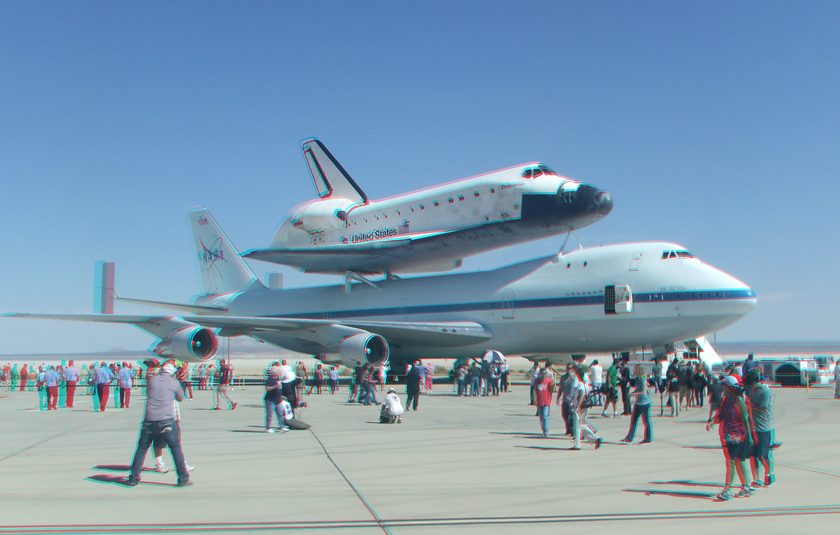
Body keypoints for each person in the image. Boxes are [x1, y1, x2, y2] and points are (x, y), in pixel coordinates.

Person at [127, 363, 190, 487]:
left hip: (149, 420)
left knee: (142, 448)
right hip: (166, 420)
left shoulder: (152, 380)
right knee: (175, 448)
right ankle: (182, 477)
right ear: (172, 373)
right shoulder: (174, 382)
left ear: (161, 371)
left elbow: (147, 392)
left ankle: (133, 477)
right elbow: (180, 397)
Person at [707, 375, 754, 500]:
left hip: (737, 434)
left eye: (724, 385)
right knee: (737, 461)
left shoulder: (739, 400)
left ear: (728, 387)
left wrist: (749, 436)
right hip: (731, 434)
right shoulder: (726, 399)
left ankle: (728, 489)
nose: (722, 387)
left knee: (733, 461)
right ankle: (745, 487)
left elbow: (745, 419)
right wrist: (713, 422)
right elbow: (721, 415)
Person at [745, 369, 776, 487]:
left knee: (763, 454)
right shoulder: (750, 391)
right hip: (752, 427)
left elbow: (762, 406)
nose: (751, 387)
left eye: (751, 384)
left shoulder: (765, 391)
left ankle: (769, 474)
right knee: (753, 455)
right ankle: (756, 478)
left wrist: (748, 406)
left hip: (764, 427)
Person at [568, 366, 602, 450]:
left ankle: (579, 444)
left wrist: (577, 405)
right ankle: (594, 439)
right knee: (582, 424)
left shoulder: (580, 384)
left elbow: (582, 393)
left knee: (577, 426)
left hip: (579, 407)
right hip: (584, 407)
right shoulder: (586, 383)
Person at [620, 364, 653, 444]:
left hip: (643, 403)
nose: (633, 371)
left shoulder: (642, 379)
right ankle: (630, 438)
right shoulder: (638, 379)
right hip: (638, 402)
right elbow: (638, 389)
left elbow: (644, 391)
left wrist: (634, 394)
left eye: (635, 369)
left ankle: (647, 438)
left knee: (646, 421)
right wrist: (633, 392)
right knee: (634, 420)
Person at [264, 368, 287, 433]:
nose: (279, 373)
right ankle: (268, 428)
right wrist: (275, 386)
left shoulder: (278, 379)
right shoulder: (270, 379)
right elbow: (267, 388)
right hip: (270, 400)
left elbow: (280, 389)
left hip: (278, 400)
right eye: (279, 372)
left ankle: (282, 426)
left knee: (281, 413)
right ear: (275, 373)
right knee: (269, 415)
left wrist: (282, 396)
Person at [534, 369, 555, 437]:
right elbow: (535, 391)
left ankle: (546, 431)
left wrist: (553, 384)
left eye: (544, 374)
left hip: (546, 401)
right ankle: (543, 430)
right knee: (541, 417)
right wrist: (534, 400)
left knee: (545, 416)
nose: (542, 375)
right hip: (539, 401)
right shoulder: (536, 381)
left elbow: (552, 390)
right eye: (541, 374)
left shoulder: (549, 381)